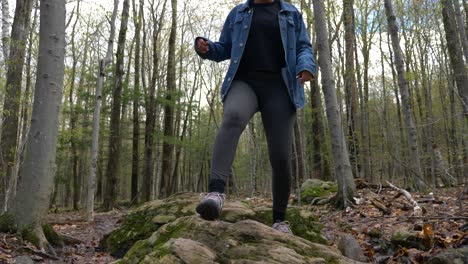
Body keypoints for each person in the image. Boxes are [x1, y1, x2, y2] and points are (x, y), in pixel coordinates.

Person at [194, 0, 316, 234]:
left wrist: (306, 66)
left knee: (280, 155)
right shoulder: (238, 13)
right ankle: (215, 193)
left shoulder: (290, 13)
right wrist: (207, 48)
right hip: (244, 81)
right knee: (233, 117)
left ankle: (279, 219)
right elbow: (225, 48)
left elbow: (303, 47)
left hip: (281, 87)